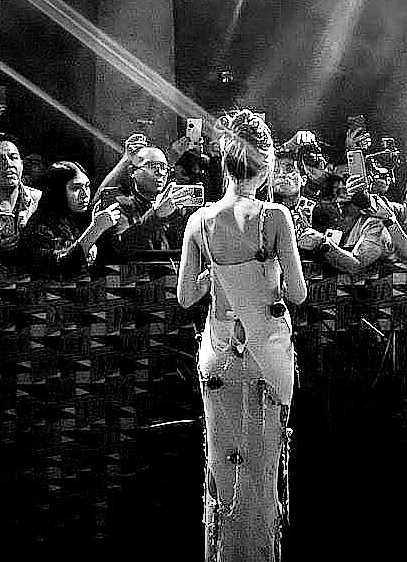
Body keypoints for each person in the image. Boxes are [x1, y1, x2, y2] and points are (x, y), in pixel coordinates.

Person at [177, 109, 306, 562]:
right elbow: (298, 293)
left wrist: (222, 274)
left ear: (225, 161)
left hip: (218, 355)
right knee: (261, 471)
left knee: (222, 465)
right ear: (265, 166)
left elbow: (186, 297)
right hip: (266, 351)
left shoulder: (200, 221)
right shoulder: (275, 216)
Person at [19, 161, 125, 277]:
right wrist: (96, 229)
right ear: (58, 191)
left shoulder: (80, 217)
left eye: (87, 186)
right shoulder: (41, 225)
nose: (85, 194)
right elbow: (62, 267)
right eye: (75, 188)